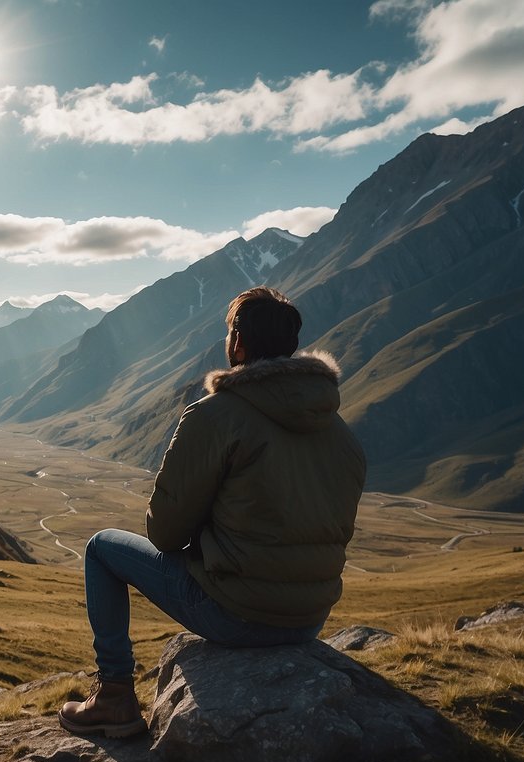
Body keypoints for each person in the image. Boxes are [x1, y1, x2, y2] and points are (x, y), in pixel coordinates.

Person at [59, 286, 366, 738]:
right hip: (309, 618)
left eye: (230, 333)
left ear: (237, 342)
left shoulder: (214, 415)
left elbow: (164, 534)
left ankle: (115, 697)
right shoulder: (337, 428)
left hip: (238, 614)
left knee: (102, 548)